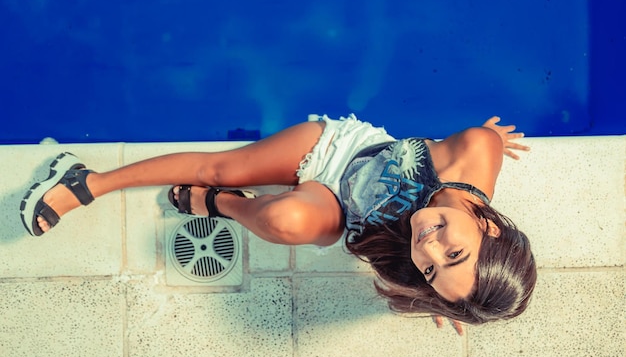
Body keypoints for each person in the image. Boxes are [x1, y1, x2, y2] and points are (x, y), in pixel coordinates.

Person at [20, 114, 536, 333]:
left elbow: (442, 271)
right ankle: (89, 181)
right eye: (454, 253)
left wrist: (444, 296)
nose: (427, 249)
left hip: (341, 212)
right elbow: (479, 152)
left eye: (429, 271)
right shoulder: (474, 150)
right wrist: (490, 136)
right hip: (347, 154)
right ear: (489, 228)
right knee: (218, 166)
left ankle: (222, 205)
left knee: (281, 217)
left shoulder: (429, 262)